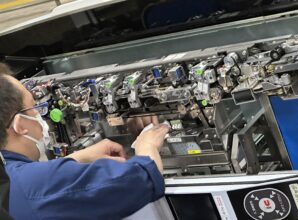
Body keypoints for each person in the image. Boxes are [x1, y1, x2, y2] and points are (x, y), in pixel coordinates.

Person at [0, 64, 170, 220]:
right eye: (35, 108)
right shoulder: (30, 184)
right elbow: (140, 179)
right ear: (20, 125)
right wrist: (148, 145)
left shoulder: (9, 176)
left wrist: (74, 158)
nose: (40, 116)